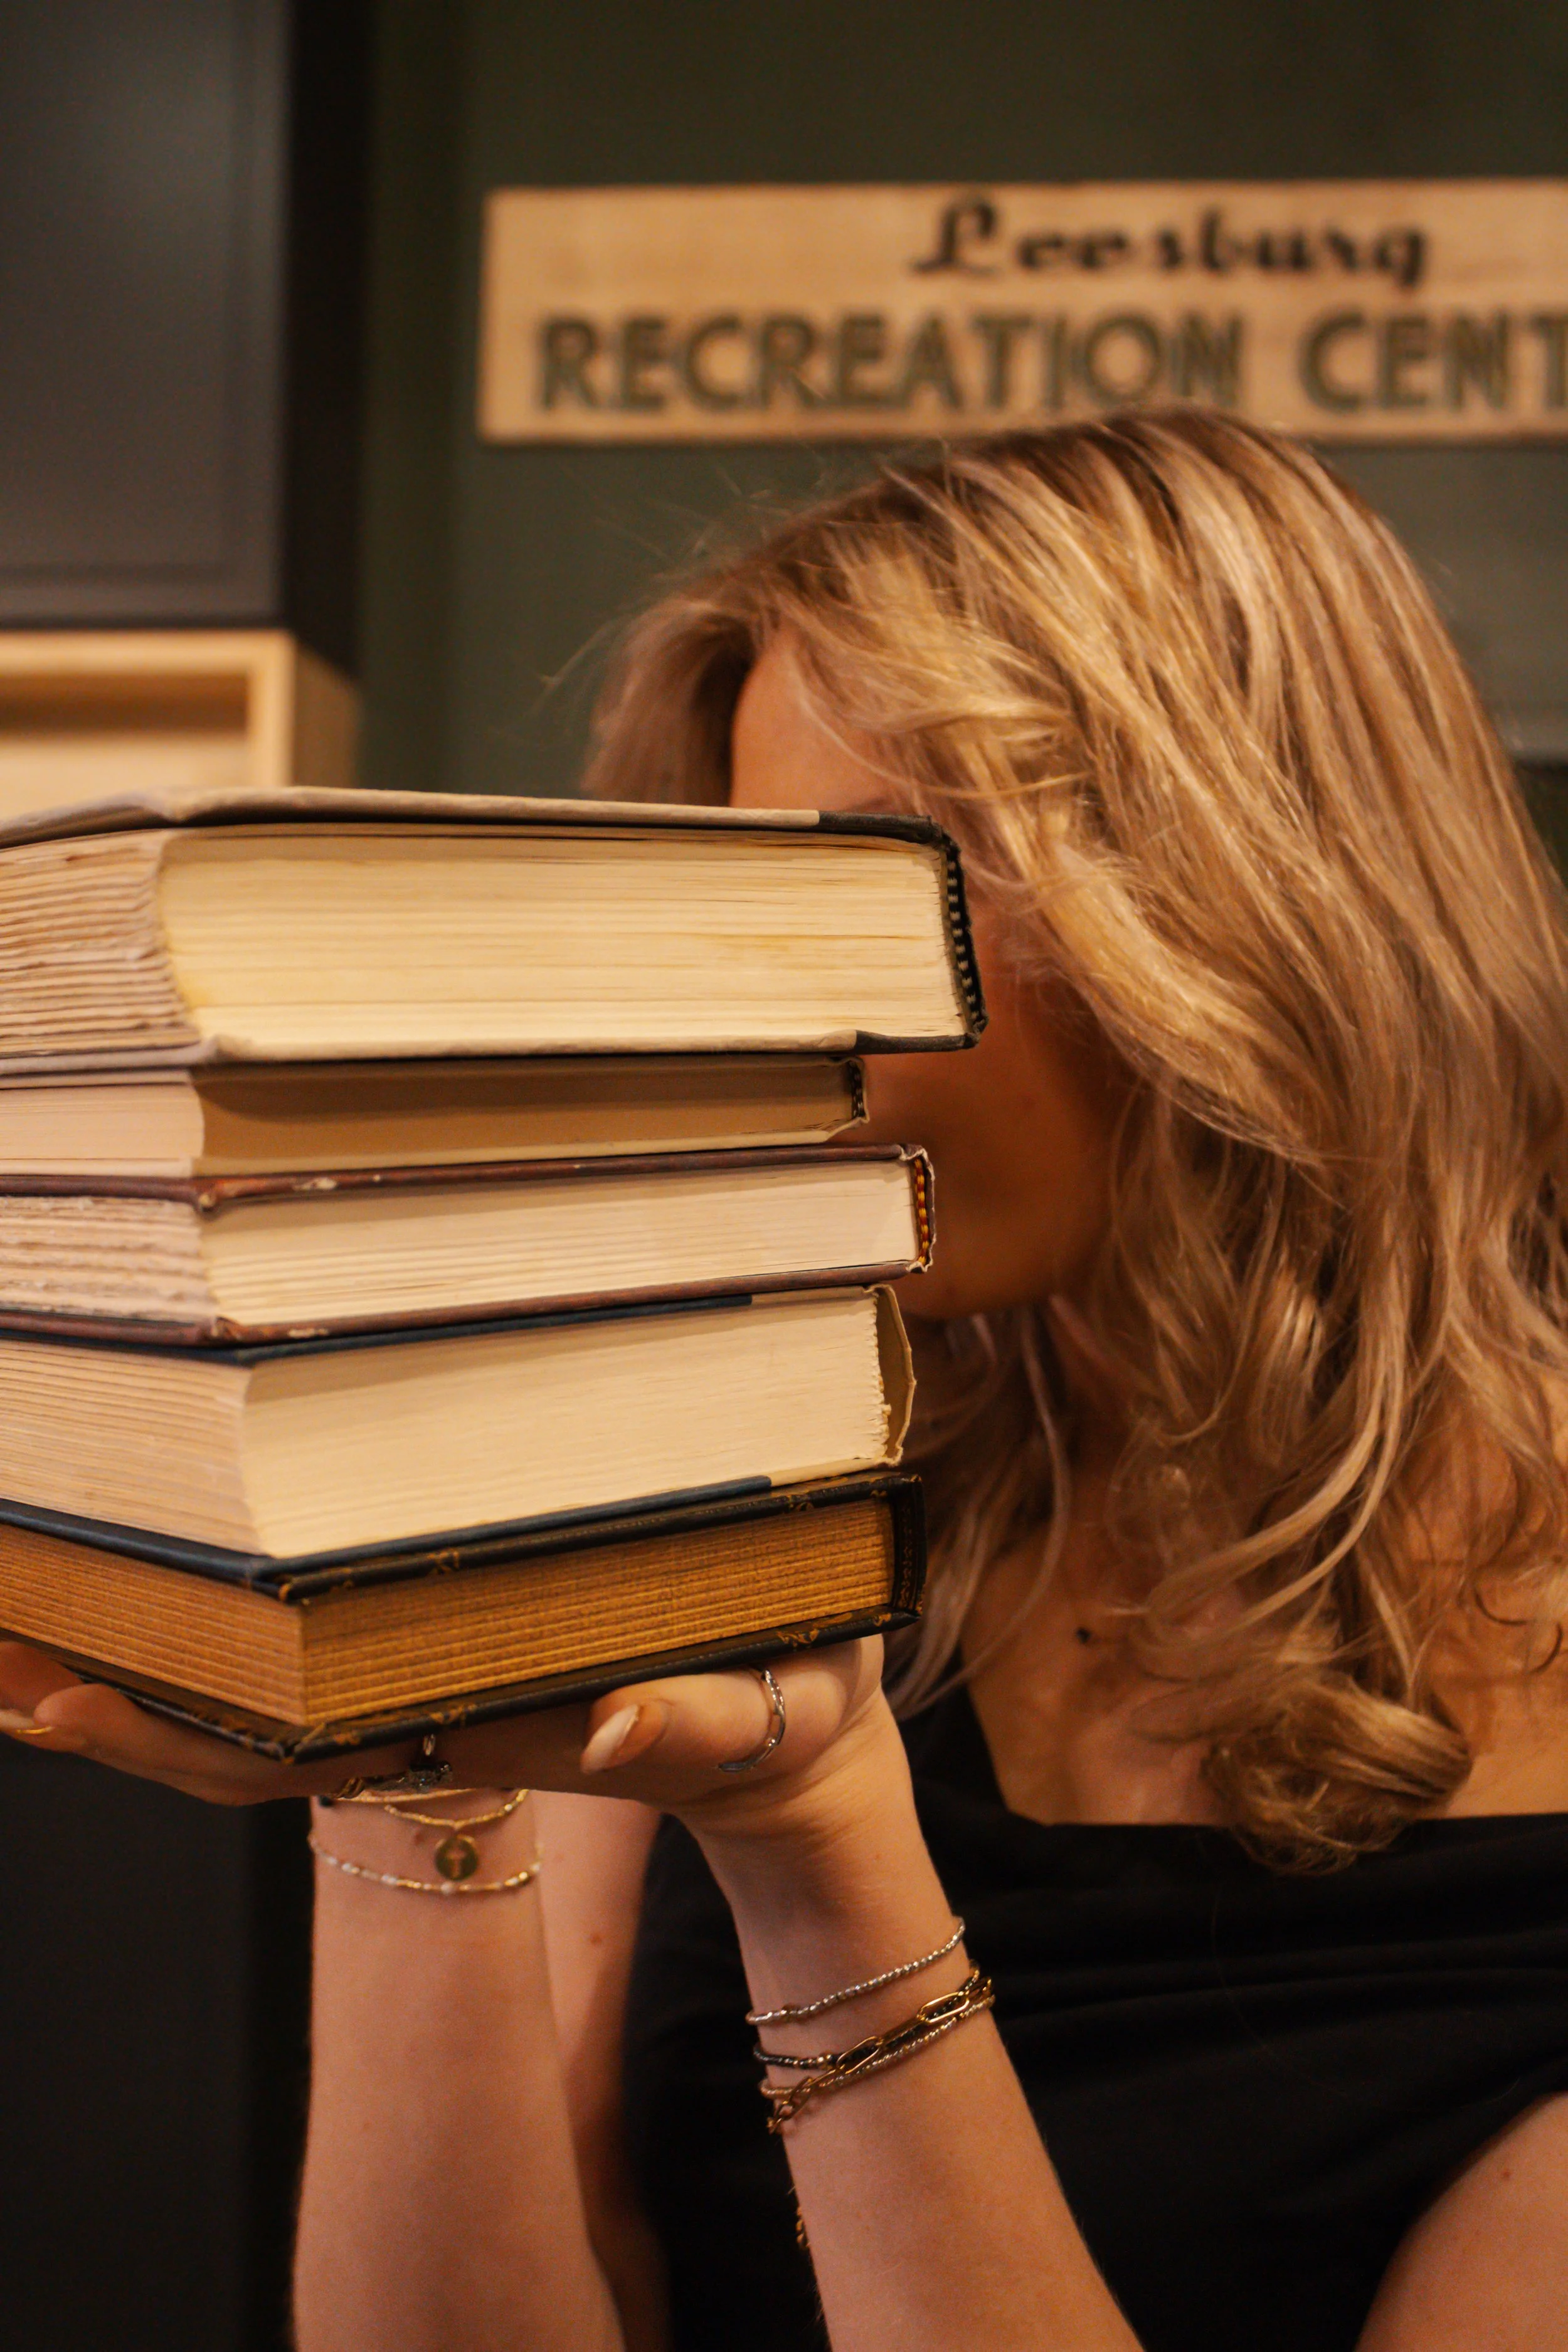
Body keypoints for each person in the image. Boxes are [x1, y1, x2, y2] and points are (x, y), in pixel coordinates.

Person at [6, 408, 1568, 2352]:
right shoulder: (761, 1464)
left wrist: (825, 1847)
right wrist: (408, 1760)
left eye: (877, 896)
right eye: (746, 916)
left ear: (1239, 904)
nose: (779, 1029)